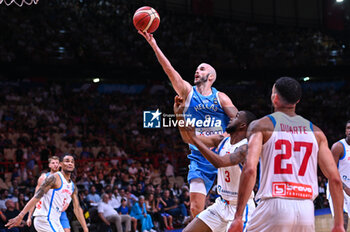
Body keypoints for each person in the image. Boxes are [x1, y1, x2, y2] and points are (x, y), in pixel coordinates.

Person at [139, 30, 238, 217]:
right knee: (195, 208)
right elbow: (170, 71)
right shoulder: (188, 92)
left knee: (234, 205)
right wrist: (153, 44)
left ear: (210, 77)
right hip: (200, 158)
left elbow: (239, 121)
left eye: (202, 69)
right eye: (197, 68)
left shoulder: (221, 97)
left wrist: (226, 135)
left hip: (224, 155)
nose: (197, 70)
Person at [229, 77, 345, 232]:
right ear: (297, 100)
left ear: (274, 98)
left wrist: (238, 216)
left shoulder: (261, 126)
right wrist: (338, 223)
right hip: (306, 210)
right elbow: (335, 179)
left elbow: (250, 169)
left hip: (273, 205)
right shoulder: (316, 132)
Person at [174, 96, 256, 232]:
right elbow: (188, 138)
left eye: (236, 117)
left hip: (241, 208)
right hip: (221, 205)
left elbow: (219, 162)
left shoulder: (245, 148)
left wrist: (195, 138)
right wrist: (179, 115)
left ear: (243, 125)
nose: (230, 118)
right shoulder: (221, 140)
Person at [6, 154, 89, 232]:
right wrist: (21, 216)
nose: (70, 163)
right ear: (61, 164)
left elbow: (77, 209)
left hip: (56, 219)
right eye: (67, 161)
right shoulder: (54, 178)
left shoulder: (72, 186)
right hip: (44, 218)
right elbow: (37, 196)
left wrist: (85, 229)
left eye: (72, 161)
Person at [26, 156, 71, 232]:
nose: (55, 165)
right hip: (46, 213)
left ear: (60, 164)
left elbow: (68, 195)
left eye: (57, 163)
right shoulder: (43, 178)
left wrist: (66, 203)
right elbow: (35, 197)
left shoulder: (64, 179)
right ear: (49, 165)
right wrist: (29, 217)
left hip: (59, 211)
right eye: (53, 163)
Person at [327, 120, 350, 230]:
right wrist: (345, 188)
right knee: (342, 221)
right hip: (337, 187)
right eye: (348, 128)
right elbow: (330, 172)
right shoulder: (338, 147)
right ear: (345, 131)